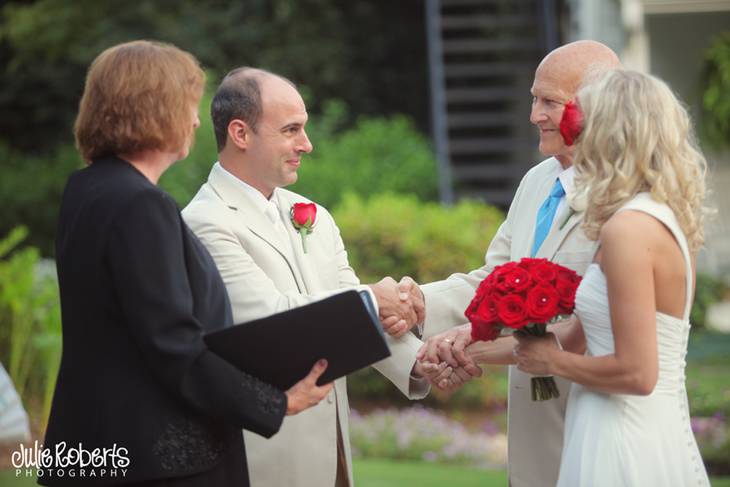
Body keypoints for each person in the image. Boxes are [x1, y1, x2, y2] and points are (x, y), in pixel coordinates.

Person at [41, 41, 332, 487]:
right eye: (190, 105)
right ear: (155, 109)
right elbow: (173, 344)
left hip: (93, 442)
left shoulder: (86, 190)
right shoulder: (141, 204)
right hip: (153, 457)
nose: (197, 120)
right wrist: (277, 402)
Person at [181, 67, 451, 487]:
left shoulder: (312, 215)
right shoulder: (204, 223)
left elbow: (353, 312)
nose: (306, 144)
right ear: (240, 133)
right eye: (291, 130)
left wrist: (420, 360)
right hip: (266, 451)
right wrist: (372, 298)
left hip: (334, 449)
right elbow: (267, 318)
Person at [415, 40, 621, 487]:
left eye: (549, 102)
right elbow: (493, 281)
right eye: (534, 98)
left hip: (594, 429)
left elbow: (591, 326)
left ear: (595, 107)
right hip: (529, 445)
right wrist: (415, 303)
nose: (534, 115)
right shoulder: (536, 180)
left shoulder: (624, 198)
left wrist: (467, 349)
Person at [513, 69, 710, 486]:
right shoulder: (659, 216)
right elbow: (582, 333)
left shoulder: (629, 230)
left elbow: (638, 374)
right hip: (631, 426)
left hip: (623, 438)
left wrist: (553, 363)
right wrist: (465, 348)